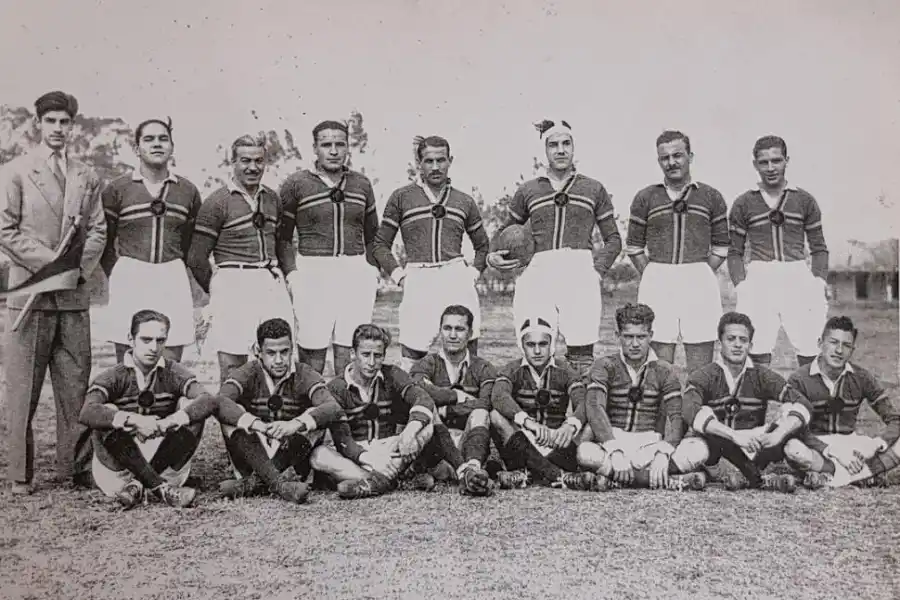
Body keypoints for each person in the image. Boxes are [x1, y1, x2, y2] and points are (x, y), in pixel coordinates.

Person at [0, 91, 107, 494]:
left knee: (75, 387)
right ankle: (20, 473)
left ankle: (74, 468)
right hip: (31, 294)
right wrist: (51, 265)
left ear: (72, 126)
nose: (58, 129)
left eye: (65, 122)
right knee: (23, 390)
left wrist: (75, 271)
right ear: (38, 124)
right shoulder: (15, 172)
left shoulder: (86, 176)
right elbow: (5, 230)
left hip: (73, 297)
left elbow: (98, 230)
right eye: (51, 121)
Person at [79, 310, 266, 509]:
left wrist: (168, 422)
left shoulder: (173, 371)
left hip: (165, 467)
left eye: (160, 340)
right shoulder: (113, 376)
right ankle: (159, 487)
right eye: (146, 340)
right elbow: (87, 411)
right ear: (130, 339)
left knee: (190, 407)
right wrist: (135, 420)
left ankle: (140, 484)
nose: (154, 348)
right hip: (119, 472)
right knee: (106, 411)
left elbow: (208, 400)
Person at [487, 119, 621, 376]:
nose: (560, 150)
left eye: (566, 144)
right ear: (545, 150)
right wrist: (493, 255)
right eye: (553, 145)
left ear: (574, 147)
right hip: (538, 271)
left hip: (580, 268)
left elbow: (614, 239)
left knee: (581, 354)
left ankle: (579, 401)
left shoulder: (593, 188)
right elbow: (505, 230)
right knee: (536, 346)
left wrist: (596, 271)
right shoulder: (528, 190)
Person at [373, 135, 489, 370]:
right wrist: (400, 277)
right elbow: (380, 244)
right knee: (413, 354)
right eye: (429, 161)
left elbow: (483, 246)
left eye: (441, 160)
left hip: (455, 275)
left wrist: (472, 274)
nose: (435, 167)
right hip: (419, 276)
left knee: (465, 349)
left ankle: (463, 392)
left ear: (450, 161)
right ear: (419, 163)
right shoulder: (401, 197)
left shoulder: (464, 201)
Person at [187, 134, 294, 383]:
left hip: (269, 281)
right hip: (233, 280)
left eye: (258, 161)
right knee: (233, 360)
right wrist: (219, 288)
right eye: (245, 161)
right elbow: (196, 257)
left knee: (276, 355)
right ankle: (232, 408)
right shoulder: (217, 202)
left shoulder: (273, 199)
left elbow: (281, 243)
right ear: (232, 162)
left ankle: (270, 407)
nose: (252, 167)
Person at [278, 120, 380, 375]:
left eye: (340, 144)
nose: (334, 151)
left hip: (355, 269)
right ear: (315, 148)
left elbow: (373, 235)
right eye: (326, 145)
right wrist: (292, 274)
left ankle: (346, 397)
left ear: (348, 147)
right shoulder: (296, 183)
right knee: (312, 346)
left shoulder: (361, 184)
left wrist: (372, 270)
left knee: (350, 346)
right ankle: (310, 397)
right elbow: (282, 238)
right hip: (313, 270)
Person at [98, 117, 202, 362]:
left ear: (172, 146)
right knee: (129, 359)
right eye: (149, 139)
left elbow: (191, 244)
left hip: (172, 275)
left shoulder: (187, 191)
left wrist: (174, 267)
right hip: (130, 275)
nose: (157, 144)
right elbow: (104, 242)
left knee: (170, 358)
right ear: (137, 148)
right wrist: (122, 271)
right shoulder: (117, 189)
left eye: (163, 139)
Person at [625, 130, 730, 373]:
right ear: (659, 161)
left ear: (690, 157)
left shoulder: (711, 196)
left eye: (678, 155)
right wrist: (653, 272)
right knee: (660, 363)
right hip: (658, 278)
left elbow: (721, 246)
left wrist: (700, 271)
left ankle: (698, 399)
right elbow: (634, 247)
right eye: (665, 158)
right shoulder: (645, 197)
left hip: (699, 278)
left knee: (701, 361)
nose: (671, 162)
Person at [678, 312, 813, 492]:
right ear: (719, 343)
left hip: (752, 447)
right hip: (718, 446)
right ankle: (757, 478)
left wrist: (778, 434)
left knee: (792, 419)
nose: (737, 345)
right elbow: (689, 410)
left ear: (750, 345)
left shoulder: (762, 375)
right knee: (694, 446)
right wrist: (733, 435)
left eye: (743, 340)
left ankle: (742, 476)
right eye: (731, 339)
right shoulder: (704, 375)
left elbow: (802, 403)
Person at [576, 303, 707, 491]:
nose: (635, 344)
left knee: (699, 449)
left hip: (651, 443)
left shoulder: (664, 370)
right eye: (628, 337)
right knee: (584, 452)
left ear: (651, 336)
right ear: (617, 336)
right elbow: (595, 408)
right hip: (614, 438)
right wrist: (615, 450)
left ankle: (616, 479)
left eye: (641, 337)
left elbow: (676, 416)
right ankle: (666, 480)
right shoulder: (604, 365)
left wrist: (663, 452)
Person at [215, 318, 343, 504]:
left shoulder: (304, 373)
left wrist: (295, 424)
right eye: (271, 353)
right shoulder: (248, 372)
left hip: (291, 455)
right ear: (258, 351)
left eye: (284, 352)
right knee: (231, 413)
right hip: (254, 451)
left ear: (292, 348)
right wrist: (256, 424)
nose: (279, 360)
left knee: (316, 415)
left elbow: (333, 407)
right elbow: (219, 401)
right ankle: (278, 484)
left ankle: (252, 484)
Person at [728, 135, 829, 368]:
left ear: (787, 161)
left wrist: (819, 281)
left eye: (776, 160)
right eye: (764, 162)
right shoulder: (744, 202)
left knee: (810, 346)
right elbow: (734, 252)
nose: (771, 168)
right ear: (755, 164)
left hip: (796, 274)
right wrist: (741, 285)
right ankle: (757, 393)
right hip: (759, 276)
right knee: (756, 348)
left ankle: (808, 392)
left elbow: (819, 248)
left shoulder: (804, 200)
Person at [309, 324, 436, 499]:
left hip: (390, 449)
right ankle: (384, 481)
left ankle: (372, 482)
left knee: (427, 425)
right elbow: (343, 440)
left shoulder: (392, 374)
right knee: (319, 456)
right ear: (352, 354)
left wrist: (409, 433)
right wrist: (371, 460)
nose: (371, 362)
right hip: (356, 455)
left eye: (377, 356)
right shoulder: (336, 388)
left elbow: (423, 398)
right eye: (365, 354)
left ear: (384, 355)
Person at [783, 316, 900, 488]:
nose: (839, 350)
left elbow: (895, 419)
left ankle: (830, 477)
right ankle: (864, 475)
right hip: (818, 446)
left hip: (852, 445)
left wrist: (876, 444)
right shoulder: (799, 379)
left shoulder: (862, 377)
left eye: (846, 345)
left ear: (852, 350)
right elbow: (794, 429)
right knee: (792, 448)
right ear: (820, 343)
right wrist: (833, 452)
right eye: (833, 342)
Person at [490, 316, 599, 491]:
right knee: (495, 416)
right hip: (525, 440)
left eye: (543, 344)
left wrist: (570, 425)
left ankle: (528, 473)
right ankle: (559, 476)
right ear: (522, 345)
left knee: (592, 421)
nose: (537, 351)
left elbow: (582, 400)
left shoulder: (565, 370)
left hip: (557, 441)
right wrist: (528, 422)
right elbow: (499, 396)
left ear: (552, 345)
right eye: (530, 345)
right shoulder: (512, 369)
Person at [409, 305, 495, 496]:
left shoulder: (484, 368)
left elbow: (487, 402)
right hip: (437, 446)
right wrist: (457, 396)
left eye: (460, 329)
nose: (453, 335)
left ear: (470, 333)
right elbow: (420, 392)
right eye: (447, 328)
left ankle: (472, 469)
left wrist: (447, 410)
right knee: (428, 410)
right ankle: (465, 473)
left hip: (469, 444)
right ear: (440, 331)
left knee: (481, 413)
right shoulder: (425, 364)